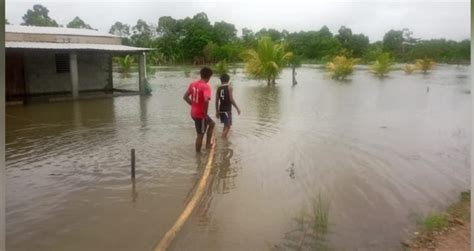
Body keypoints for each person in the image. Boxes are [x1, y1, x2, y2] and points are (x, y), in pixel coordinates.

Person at [183, 67, 215, 152]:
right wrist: (205, 112)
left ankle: (208, 145)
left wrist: (194, 105)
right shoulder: (206, 87)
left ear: (201, 75)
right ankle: (198, 155)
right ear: (209, 77)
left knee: (212, 124)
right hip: (200, 114)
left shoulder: (193, 84)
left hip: (194, 113)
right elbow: (206, 100)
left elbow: (185, 97)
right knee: (200, 135)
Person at [215, 73, 241, 139]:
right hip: (227, 110)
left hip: (221, 109)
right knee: (228, 126)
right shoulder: (229, 87)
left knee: (225, 125)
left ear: (221, 80)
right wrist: (237, 108)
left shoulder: (218, 88)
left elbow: (216, 101)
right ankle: (222, 139)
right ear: (228, 80)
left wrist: (217, 111)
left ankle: (224, 139)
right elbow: (231, 99)